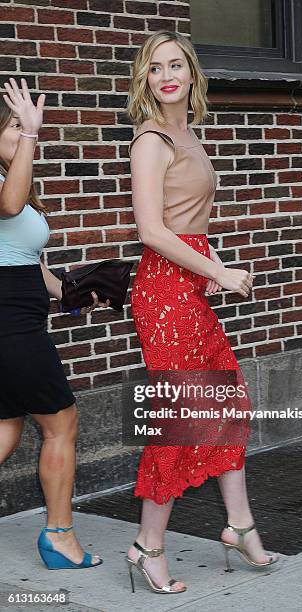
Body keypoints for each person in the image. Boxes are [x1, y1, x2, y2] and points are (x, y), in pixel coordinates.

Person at [126, 31, 280, 594]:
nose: (166, 75)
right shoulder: (150, 141)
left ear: (191, 73)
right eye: (154, 68)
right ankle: (148, 546)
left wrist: (210, 262)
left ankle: (239, 526)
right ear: (145, 81)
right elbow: (151, 230)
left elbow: (189, 220)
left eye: (175, 65)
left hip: (190, 283)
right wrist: (217, 272)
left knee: (227, 404)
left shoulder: (187, 133)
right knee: (183, 418)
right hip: (164, 295)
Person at [0, 78, 109, 570]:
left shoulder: (15, 178)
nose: (27, 133)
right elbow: (9, 206)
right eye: (15, 126)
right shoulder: (7, 186)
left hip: (19, 314)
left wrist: (71, 289)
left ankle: (60, 537)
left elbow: (28, 261)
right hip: (9, 324)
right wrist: (31, 139)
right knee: (61, 422)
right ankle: (60, 538)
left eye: (28, 125)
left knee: (5, 430)